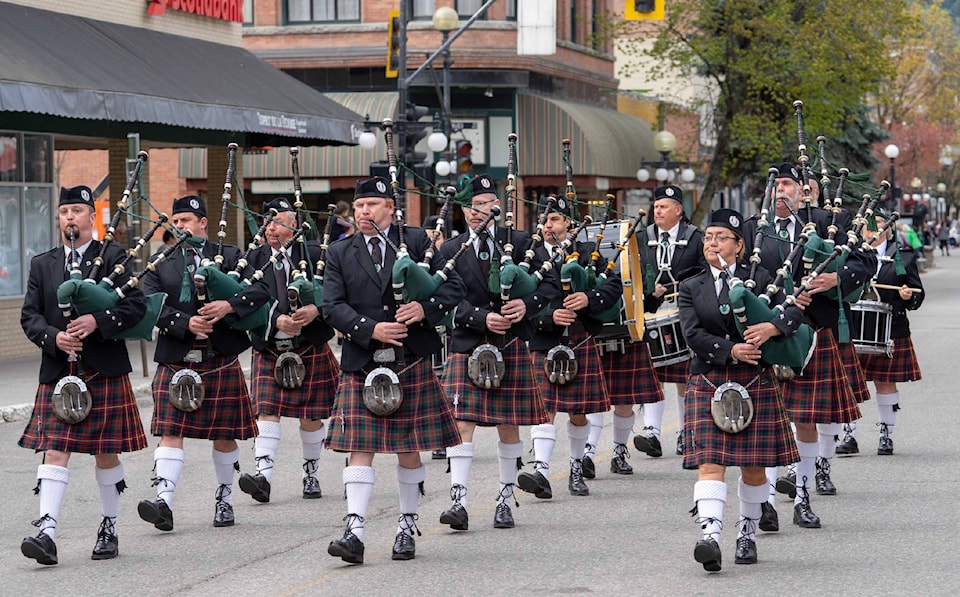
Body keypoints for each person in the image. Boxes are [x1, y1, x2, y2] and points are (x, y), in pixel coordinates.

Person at [322, 176, 464, 564]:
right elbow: (331, 305)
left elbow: (453, 288)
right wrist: (371, 330)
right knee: (359, 448)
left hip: (410, 359)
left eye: (372, 205)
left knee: (408, 449)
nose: (364, 212)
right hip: (364, 359)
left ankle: (406, 524)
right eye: (359, 206)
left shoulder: (416, 242)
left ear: (390, 209)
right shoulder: (339, 251)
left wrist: (424, 309)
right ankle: (354, 531)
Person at [19, 185, 148, 565]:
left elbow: (136, 305)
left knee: (105, 454)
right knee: (55, 450)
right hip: (60, 371)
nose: (70, 218)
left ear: (92, 216)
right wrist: (54, 338)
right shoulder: (42, 264)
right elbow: (29, 316)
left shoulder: (113, 258)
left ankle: (108, 526)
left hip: (102, 368)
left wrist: (98, 321)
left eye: (77, 211)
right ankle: (46, 533)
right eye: (64, 212)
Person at [741, 163, 874, 528]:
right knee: (765, 420)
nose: (780, 190)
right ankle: (765, 500)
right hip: (766, 333)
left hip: (815, 331)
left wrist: (837, 278)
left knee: (807, 420)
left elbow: (866, 261)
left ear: (805, 190)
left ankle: (802, 496)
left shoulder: (831, 220)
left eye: (788, 184)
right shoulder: (755, 229)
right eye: (775, 184)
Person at [679, 208, 802, 571]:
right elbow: (692, 334)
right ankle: (710, 537)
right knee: (710, 463)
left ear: (739, 245)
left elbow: (794, 313)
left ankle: (746, 534)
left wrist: (773, 329)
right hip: (709, 378)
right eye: (708, 237)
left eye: (720, 237)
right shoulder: (690, 285)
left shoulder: (762, 278)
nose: (712, 243)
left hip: (755, 380)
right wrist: (731, 349)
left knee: (753, 468)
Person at [436, 174, 558, 531]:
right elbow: (444, 298)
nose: (476, 213)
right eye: (469, 207)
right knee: (462, 424)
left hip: (511, 344)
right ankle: (458, 501)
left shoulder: (520, 242)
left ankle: (505, 498)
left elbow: (549, 285)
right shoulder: (450, 249)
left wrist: (525, 305)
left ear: (496, 206)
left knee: (509, 424)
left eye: (483, 205)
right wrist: (481, 318)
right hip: (468, 342)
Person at [137, 195, 258, 532]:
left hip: (218, 358)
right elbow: (149, 304)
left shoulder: (231, 256)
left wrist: (228, 307)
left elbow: (257, 291)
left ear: (203, 222)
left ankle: (224, 498)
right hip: (178, 358)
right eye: (176, 222)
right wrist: (184, 323)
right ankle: (163, 501)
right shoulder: (160, 261)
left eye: (186, 220)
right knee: (169, 431)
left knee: (224, 435)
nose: (180, 227)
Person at [235, 198, 340, 503]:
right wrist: (275, 318)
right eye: (267, 222)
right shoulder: (252, 258)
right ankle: (263, 478)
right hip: (270, 346)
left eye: (278, 221)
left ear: (294, 224)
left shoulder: (316, 254)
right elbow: (244, 299)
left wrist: (315, 310)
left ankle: (311, 473)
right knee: (267, 411)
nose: (271, 228)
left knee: (310, 416)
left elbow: (335, 291)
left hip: (308, 346)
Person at [518, 195, 619, 498]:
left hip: (578, 336)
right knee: (543, 410)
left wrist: (589, 298)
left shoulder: (589, 253)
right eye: (545, 220)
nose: (548, 226)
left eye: (555, 220)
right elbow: (515, 298)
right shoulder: (528, 257)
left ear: (568, 224)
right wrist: (547, 317)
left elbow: (613, 286)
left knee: (577, 411)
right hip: (544, 339)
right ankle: (542, 472)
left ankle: (576, 468)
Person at [837, 209, 924, 455]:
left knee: (885, 382)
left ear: (888, 229)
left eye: (877, 225)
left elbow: (918, 294)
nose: (871, 231)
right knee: (849, 384)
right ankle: (849, 435)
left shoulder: (903, 257)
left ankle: (886, 434)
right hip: (853, 327)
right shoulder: (850, 254)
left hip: (890, 329)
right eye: (867, 226)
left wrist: (908, 296)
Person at [629, 184, 706, 459]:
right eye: (655, 206)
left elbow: (705, 272)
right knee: (652, 377)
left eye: (663, 207)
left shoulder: (696, 238)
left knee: (685, 378)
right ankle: (652, 433)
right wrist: (649, 294)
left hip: (686, 313)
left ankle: (686, 433)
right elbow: (632, 276)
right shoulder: (641, 237)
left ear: (678, 210)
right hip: (651, 314)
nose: (657, 211)